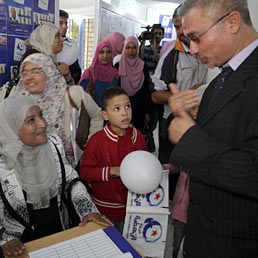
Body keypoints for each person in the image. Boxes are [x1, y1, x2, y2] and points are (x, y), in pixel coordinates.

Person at [168, 0, 258, 257]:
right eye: (187, 41)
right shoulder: (220, 81)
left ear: (231, 22)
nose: (193, 50)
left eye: (196, 38)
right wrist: (182, 120)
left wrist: (189, 138)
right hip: (204, 233)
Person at [0, 95, 113, 257]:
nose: (43, 123)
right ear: (11, 127)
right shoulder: (2, 163)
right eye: (31, 120)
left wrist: (87, 210)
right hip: (21, 246)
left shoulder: (53, 144)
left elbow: (72, 182)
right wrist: (3, 239)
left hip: (60, 232)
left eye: (41, 115)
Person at [80, 87, 147, 234]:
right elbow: (84, 172)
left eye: (127, 106)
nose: (124, 113)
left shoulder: (139, 137)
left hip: (134, 208)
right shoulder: (96, 141)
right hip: (105, 210)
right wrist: (112, 171)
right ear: (105, 115)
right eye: (116, 109)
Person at [17, 53, 103, 166]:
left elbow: (97, 115)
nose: (29, 77)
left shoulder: (73, 94)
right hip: (35, 168)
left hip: (71, 165)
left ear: (49, 72)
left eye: (36, 71)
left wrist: (90, 145)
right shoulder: (18, 101)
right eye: (25, 73)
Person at [116, 36, 151, 134]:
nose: (131, 51)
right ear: (124, 49)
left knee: (137, 136)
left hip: (139, 108)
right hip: (122, 108)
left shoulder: (143, 66)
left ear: (137, 49)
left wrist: (147, 111)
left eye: (134, 47)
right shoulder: (118, 66)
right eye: (128, 47)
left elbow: (146, 90)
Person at [79, 41, 119, 107]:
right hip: (92, 113)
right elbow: (81, 95)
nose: (105, 56)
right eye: (101, 52)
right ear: (97, 54)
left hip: (110, 113)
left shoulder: (115, 73)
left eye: (108, 52)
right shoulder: (89, 73)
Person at [59, 9, 82, 84]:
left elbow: (77, 70)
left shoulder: (70, 45)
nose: (64, 26)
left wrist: (69, 79)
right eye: (61, 23)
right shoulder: (47, 46)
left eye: (66, 23)